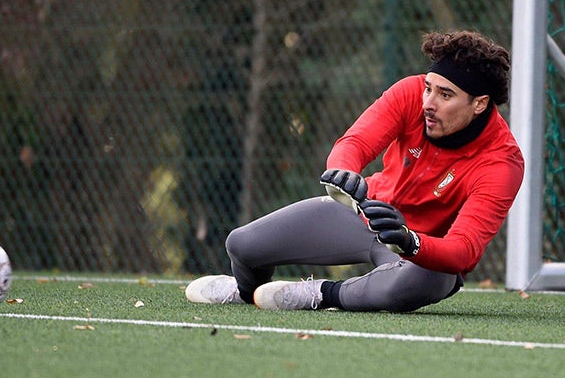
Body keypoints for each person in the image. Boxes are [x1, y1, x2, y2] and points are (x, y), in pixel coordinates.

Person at [184, 30, 524, 312]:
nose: (428, 103)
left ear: (480, 103)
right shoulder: (410, 92)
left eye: (445, 95)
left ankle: (319, 295)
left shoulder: (502, 162)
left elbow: (464, 249)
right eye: (429, 87)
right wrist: (343, 173)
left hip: (422, 255)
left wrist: (410, 241)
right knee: (242, 244)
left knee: (416, 282)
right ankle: (245, 292)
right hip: (365, 214)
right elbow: (355, 143)